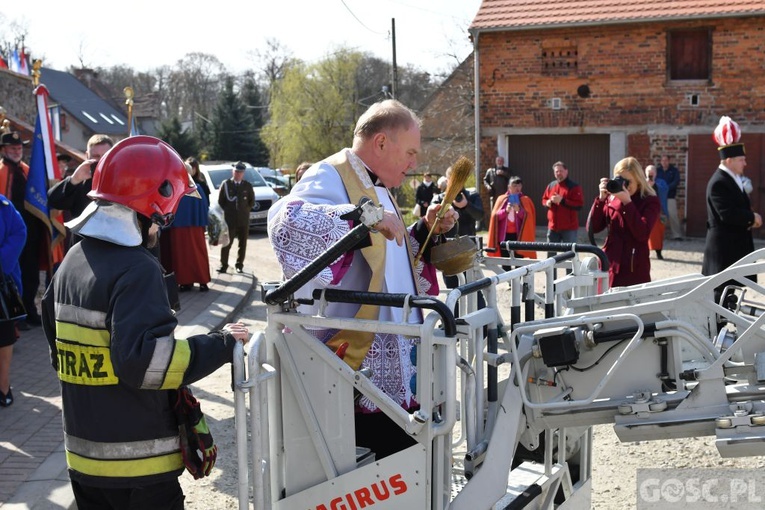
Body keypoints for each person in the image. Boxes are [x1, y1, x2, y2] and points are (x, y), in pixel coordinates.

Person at [41, 135, 250, 509]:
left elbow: (54, 336)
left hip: (84, 461)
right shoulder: (137, 268)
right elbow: (146, 363)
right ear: (157, 207)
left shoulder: (73, 258)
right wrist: (220, 344)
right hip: (138, 469)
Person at [267, 99, 457, 460]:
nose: (415, 163)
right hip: (354, 368)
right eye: (411, 152)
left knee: (408, 468)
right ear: (382, 143)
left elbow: (392, 258)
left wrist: (425, 228)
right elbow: (286, 225)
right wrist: (361, 217)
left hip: (394, 358)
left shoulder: (381, 186)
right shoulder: (330, 174)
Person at [701, 116, 762, 301]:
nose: (745, 163)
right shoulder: (719, 182)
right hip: (723, 251)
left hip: (733, 247)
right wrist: (752, 218)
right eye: (741, 159)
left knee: (730, 295)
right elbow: (727, 214)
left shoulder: (732, 179)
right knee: (720, 296)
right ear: (729, 160)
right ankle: (716, 330)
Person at [587, 157, 660, 287]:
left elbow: (643, 234)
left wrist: (627, 203)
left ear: (638, 179)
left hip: (633, 267)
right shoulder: (612, 198)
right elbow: (594, 228)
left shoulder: (650, 201)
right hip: (609, 264)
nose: (624, 185)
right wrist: (601, 200)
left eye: (628, 181)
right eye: (620, 180)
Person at [0, 130, 44, 329]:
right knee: (13, 274)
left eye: (20, 148)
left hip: (31, 231)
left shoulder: (27, 170)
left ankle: (30, 310)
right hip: (9, 235)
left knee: (31, 273)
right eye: (13, 148)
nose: (18, 151)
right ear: (3, 150)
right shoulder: (0, 171)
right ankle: (16, 315)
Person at [161, 162, 211, 292]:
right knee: (196, 253)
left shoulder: (178, 188)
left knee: (182, 255)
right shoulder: (196, 188)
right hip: (193, 226)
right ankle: (199, 281)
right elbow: (204, 207)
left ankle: (187, 282)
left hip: (181, 227)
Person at [48, 134, 115, 223]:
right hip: (84, 235)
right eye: (96, 156)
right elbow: (54, 201)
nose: (101, 160)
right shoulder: (80, 181)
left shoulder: (123, 180)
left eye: (105, 155)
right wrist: (73, 180)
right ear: (87, 156)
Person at [0, 194, 26, 407]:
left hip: (2, 283)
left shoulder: (4, 205)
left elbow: (19, 232)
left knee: (4, 338)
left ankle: (3, 386)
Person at [217, 161, 255, 274]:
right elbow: (221, 201)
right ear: (232, 172)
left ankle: (239, 265)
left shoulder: (247, 185)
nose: (238, 174)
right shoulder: (226, 184)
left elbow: (251, 201)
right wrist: (229, 211)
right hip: (230, 220)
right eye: (236, 172)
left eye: (240, 172)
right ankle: (223, 265)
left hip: (243, 220)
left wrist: (244, 210)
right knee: (226, 243)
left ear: (243, 173)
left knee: (242, 244)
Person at [487, 176, 537, 260]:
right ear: (509, 187)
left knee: (519, 262)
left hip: (519, 237)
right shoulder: (501, 199)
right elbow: (495, 217)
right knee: (505, 262)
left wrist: (519, 211)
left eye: (519, 186)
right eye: (514, 186)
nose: (517, 188)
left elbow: (528, 219)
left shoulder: (525, 200)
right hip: (503, 236)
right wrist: (505, 211)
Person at [542, 161, 584, 247]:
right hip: (553, 227)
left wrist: (562, 201)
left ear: (566, 171)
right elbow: (544, 199)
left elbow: (579, 205)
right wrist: (548, 202)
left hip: (569, 229)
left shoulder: (574, 187)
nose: (558, 173)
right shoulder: (551, 185)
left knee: (570, 254)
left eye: (561, 171)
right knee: (550, 255)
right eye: (556, 171)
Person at [657, 154, 682, 240]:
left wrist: (666, 188)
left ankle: (677, 235)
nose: (664, 162)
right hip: (659, 197)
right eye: (662, 160)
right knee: (658, 216)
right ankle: (658, 235)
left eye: (666, 160)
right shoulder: (657, 171)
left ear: (669, 161)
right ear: (660, 161)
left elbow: (676, 182)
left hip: (670, 196)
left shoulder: (674, 171)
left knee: (673, 216)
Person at [645, 165, 668, 260]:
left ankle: (659, 252)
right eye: (649, 171)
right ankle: (645, 252)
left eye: (652, 171)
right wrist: (646, 185)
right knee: (646, 233)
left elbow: (664, 190)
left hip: (658, 212)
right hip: (646, 211)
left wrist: (654, 184)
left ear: (655, 173)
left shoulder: (661, 182)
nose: (650, 173)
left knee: (658, 233)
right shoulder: (642, 183)